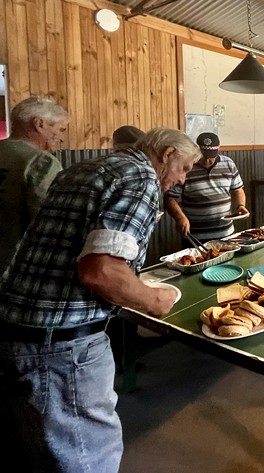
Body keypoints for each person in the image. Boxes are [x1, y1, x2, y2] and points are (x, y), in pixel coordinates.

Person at [0, 128, 201, 472]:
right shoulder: (141, 177)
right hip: (64, 345)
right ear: (167, 154)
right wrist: (153, 300)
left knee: (40, 453)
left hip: (14, 329)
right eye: (183, 168)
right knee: (87, 457)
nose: (181, 179)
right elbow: (101, 271)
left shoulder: (82, 169)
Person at [0, 96, 67, 268]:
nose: (62, 138)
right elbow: (49, 221)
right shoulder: (41, 162)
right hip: (15, 265)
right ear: (39, 124)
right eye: (61, 129)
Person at [164, 132, 248, 243]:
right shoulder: (187, 166)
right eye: (204, 155)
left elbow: (238, 189)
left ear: (219, 149)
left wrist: (241, 205)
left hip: (226, 233)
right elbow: (170, 198)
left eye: (211, 156)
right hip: (196, 236)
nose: (208, 160)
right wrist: (180, 217)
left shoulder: (228, 163)